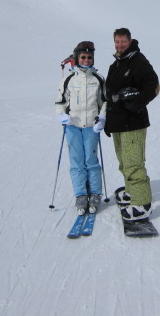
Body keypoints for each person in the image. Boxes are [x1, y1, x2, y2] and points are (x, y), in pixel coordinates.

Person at [104, 28, 160, 221]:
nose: (120, 45)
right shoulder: (117, 63)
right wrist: (108, 121)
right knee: (123, 162)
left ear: (130, 41)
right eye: (117, 42)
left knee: (134, 163)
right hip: (119, 123)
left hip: (133, 123)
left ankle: (142, 204)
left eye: (123, 42)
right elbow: (110, 95)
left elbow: (153, 85)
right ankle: (131, 191)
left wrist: (138, 103)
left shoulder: (138, 61)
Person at [55, 41, 106, 214]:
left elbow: (104, 102)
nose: (86, 60)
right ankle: (81, 195)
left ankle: (95, 193)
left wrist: (103, 118)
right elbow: (60, 101)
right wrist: (61, 114)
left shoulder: (98, 78)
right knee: (77, 161)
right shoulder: (68, 79)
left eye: (89, 57)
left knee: (91, 161)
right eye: (83, 57)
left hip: (91, 126)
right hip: (73, 126)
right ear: (77, 58)